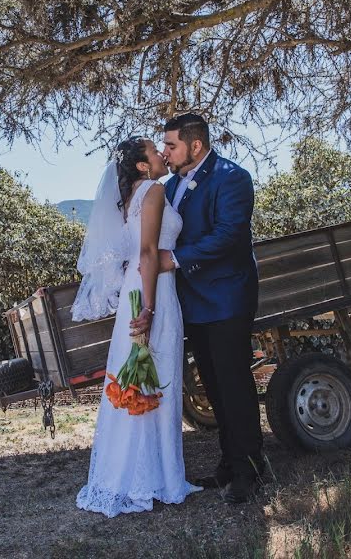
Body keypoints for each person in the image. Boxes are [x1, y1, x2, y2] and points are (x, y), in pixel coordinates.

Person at [72, 136, 201, 518]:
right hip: (151, 290)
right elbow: (147, 252)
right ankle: (154, 480)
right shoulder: (155, 191)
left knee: (142, 381)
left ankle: (139, 476)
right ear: (143, 165)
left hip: (140, 285)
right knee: (154, 379)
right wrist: (148, 308)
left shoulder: (132, 197)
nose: (162, 153)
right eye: (153, 150)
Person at [143, 112, 265, 504]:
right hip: (192, 304)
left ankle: (250, 469)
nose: (165, 152)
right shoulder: (172, 184)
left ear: (196, 145)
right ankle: (228, 464)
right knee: (213, 387)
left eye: (172, 145)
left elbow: (228, 236)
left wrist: (173, 260)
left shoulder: (233, 177)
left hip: (227, 299)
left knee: (235, 386)